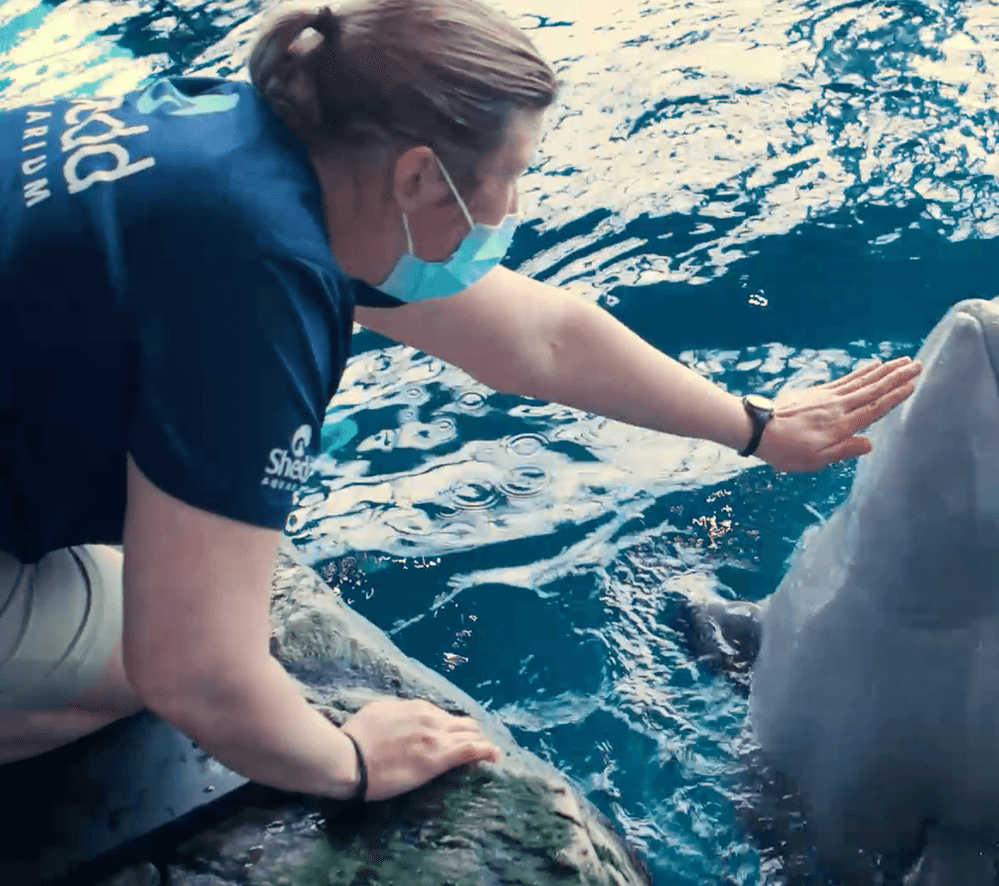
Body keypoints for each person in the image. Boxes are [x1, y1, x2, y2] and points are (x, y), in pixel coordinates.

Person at [0, 0, 922, 803]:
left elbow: (539, 337)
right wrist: (347, 757)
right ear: (414, 177)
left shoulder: (245, 141)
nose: (512, 206)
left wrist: (754, 425)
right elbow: (193, 672)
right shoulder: (260, 278)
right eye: (509, 177)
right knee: (156, 653)